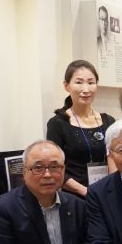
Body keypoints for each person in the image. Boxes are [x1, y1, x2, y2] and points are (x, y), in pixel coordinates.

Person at [46, 60, 115, 198]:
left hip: (106, 194)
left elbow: (115, 159)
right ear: (66, 85)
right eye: (79, 82)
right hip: (75, 197)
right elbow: (55, 168)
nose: (86, 89)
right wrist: (85, 192)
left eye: (91, 82)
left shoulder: (109, 121)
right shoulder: (58, 123)